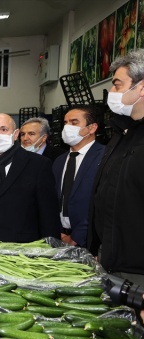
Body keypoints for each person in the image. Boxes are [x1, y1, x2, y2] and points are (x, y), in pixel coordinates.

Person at [88, 49, 144, 283]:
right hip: (111, 262)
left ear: (141, 88)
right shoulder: (122, 134)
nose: (112, 92)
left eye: (118, 85)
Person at [0, 113, 60, 242]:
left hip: (24, 248)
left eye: (4, 129)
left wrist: (50, 248)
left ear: (15, 134)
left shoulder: (38, 164)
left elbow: (48, 214)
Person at [52, 105, 105, 248]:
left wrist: (76, 237)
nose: (67, 127)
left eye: (74, 123)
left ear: (92, 128)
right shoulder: (59, 161)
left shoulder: (105, 157)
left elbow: (102, 203)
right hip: (59, 236)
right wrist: (59, 233)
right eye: (65, 123)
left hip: (90, 240)